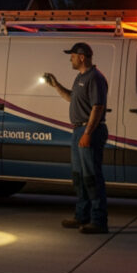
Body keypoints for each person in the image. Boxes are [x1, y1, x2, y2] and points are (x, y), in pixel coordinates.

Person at [44, 42, 109, 234]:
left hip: (90, 131)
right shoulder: (80, 77)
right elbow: (73, 98)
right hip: (78, 131)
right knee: (79, 177)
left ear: (82, 57)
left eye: (72, 56)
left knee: (91, 177)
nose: (70, 59)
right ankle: (82, 216)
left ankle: (98, 221)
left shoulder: (95, 78)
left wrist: (88, 133)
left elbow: (98, 107)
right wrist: (56, 86)